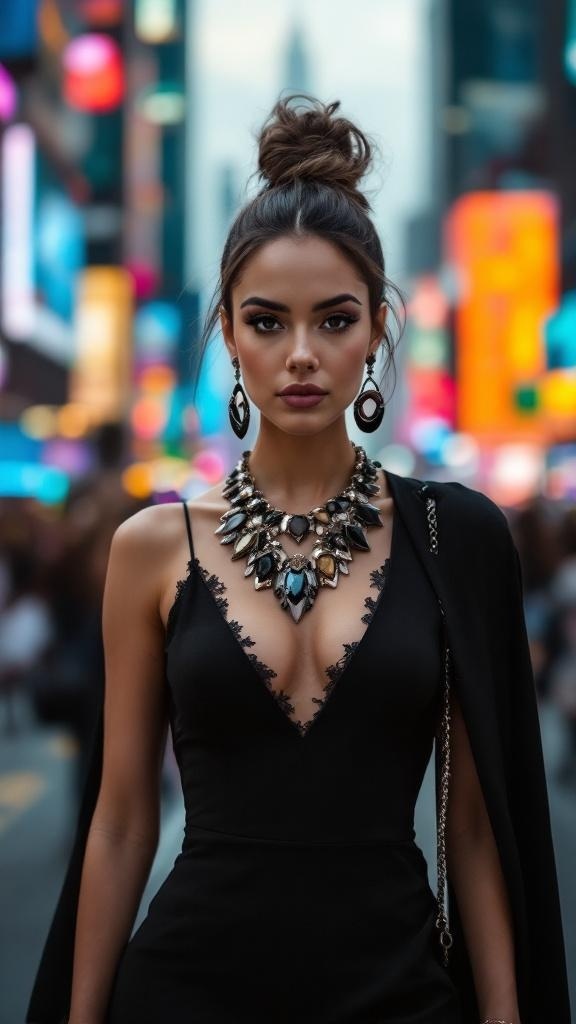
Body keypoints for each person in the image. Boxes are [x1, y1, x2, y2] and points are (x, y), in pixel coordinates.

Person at [27, 95, 570, 1024]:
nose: (303, 355)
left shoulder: (459, 538)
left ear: (378, 332)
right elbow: (119, 822)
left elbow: (479, 829)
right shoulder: (150, 549)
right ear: (230, 334)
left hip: (399, 991)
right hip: (185, 991)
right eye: (269, 322)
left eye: (336, 319)